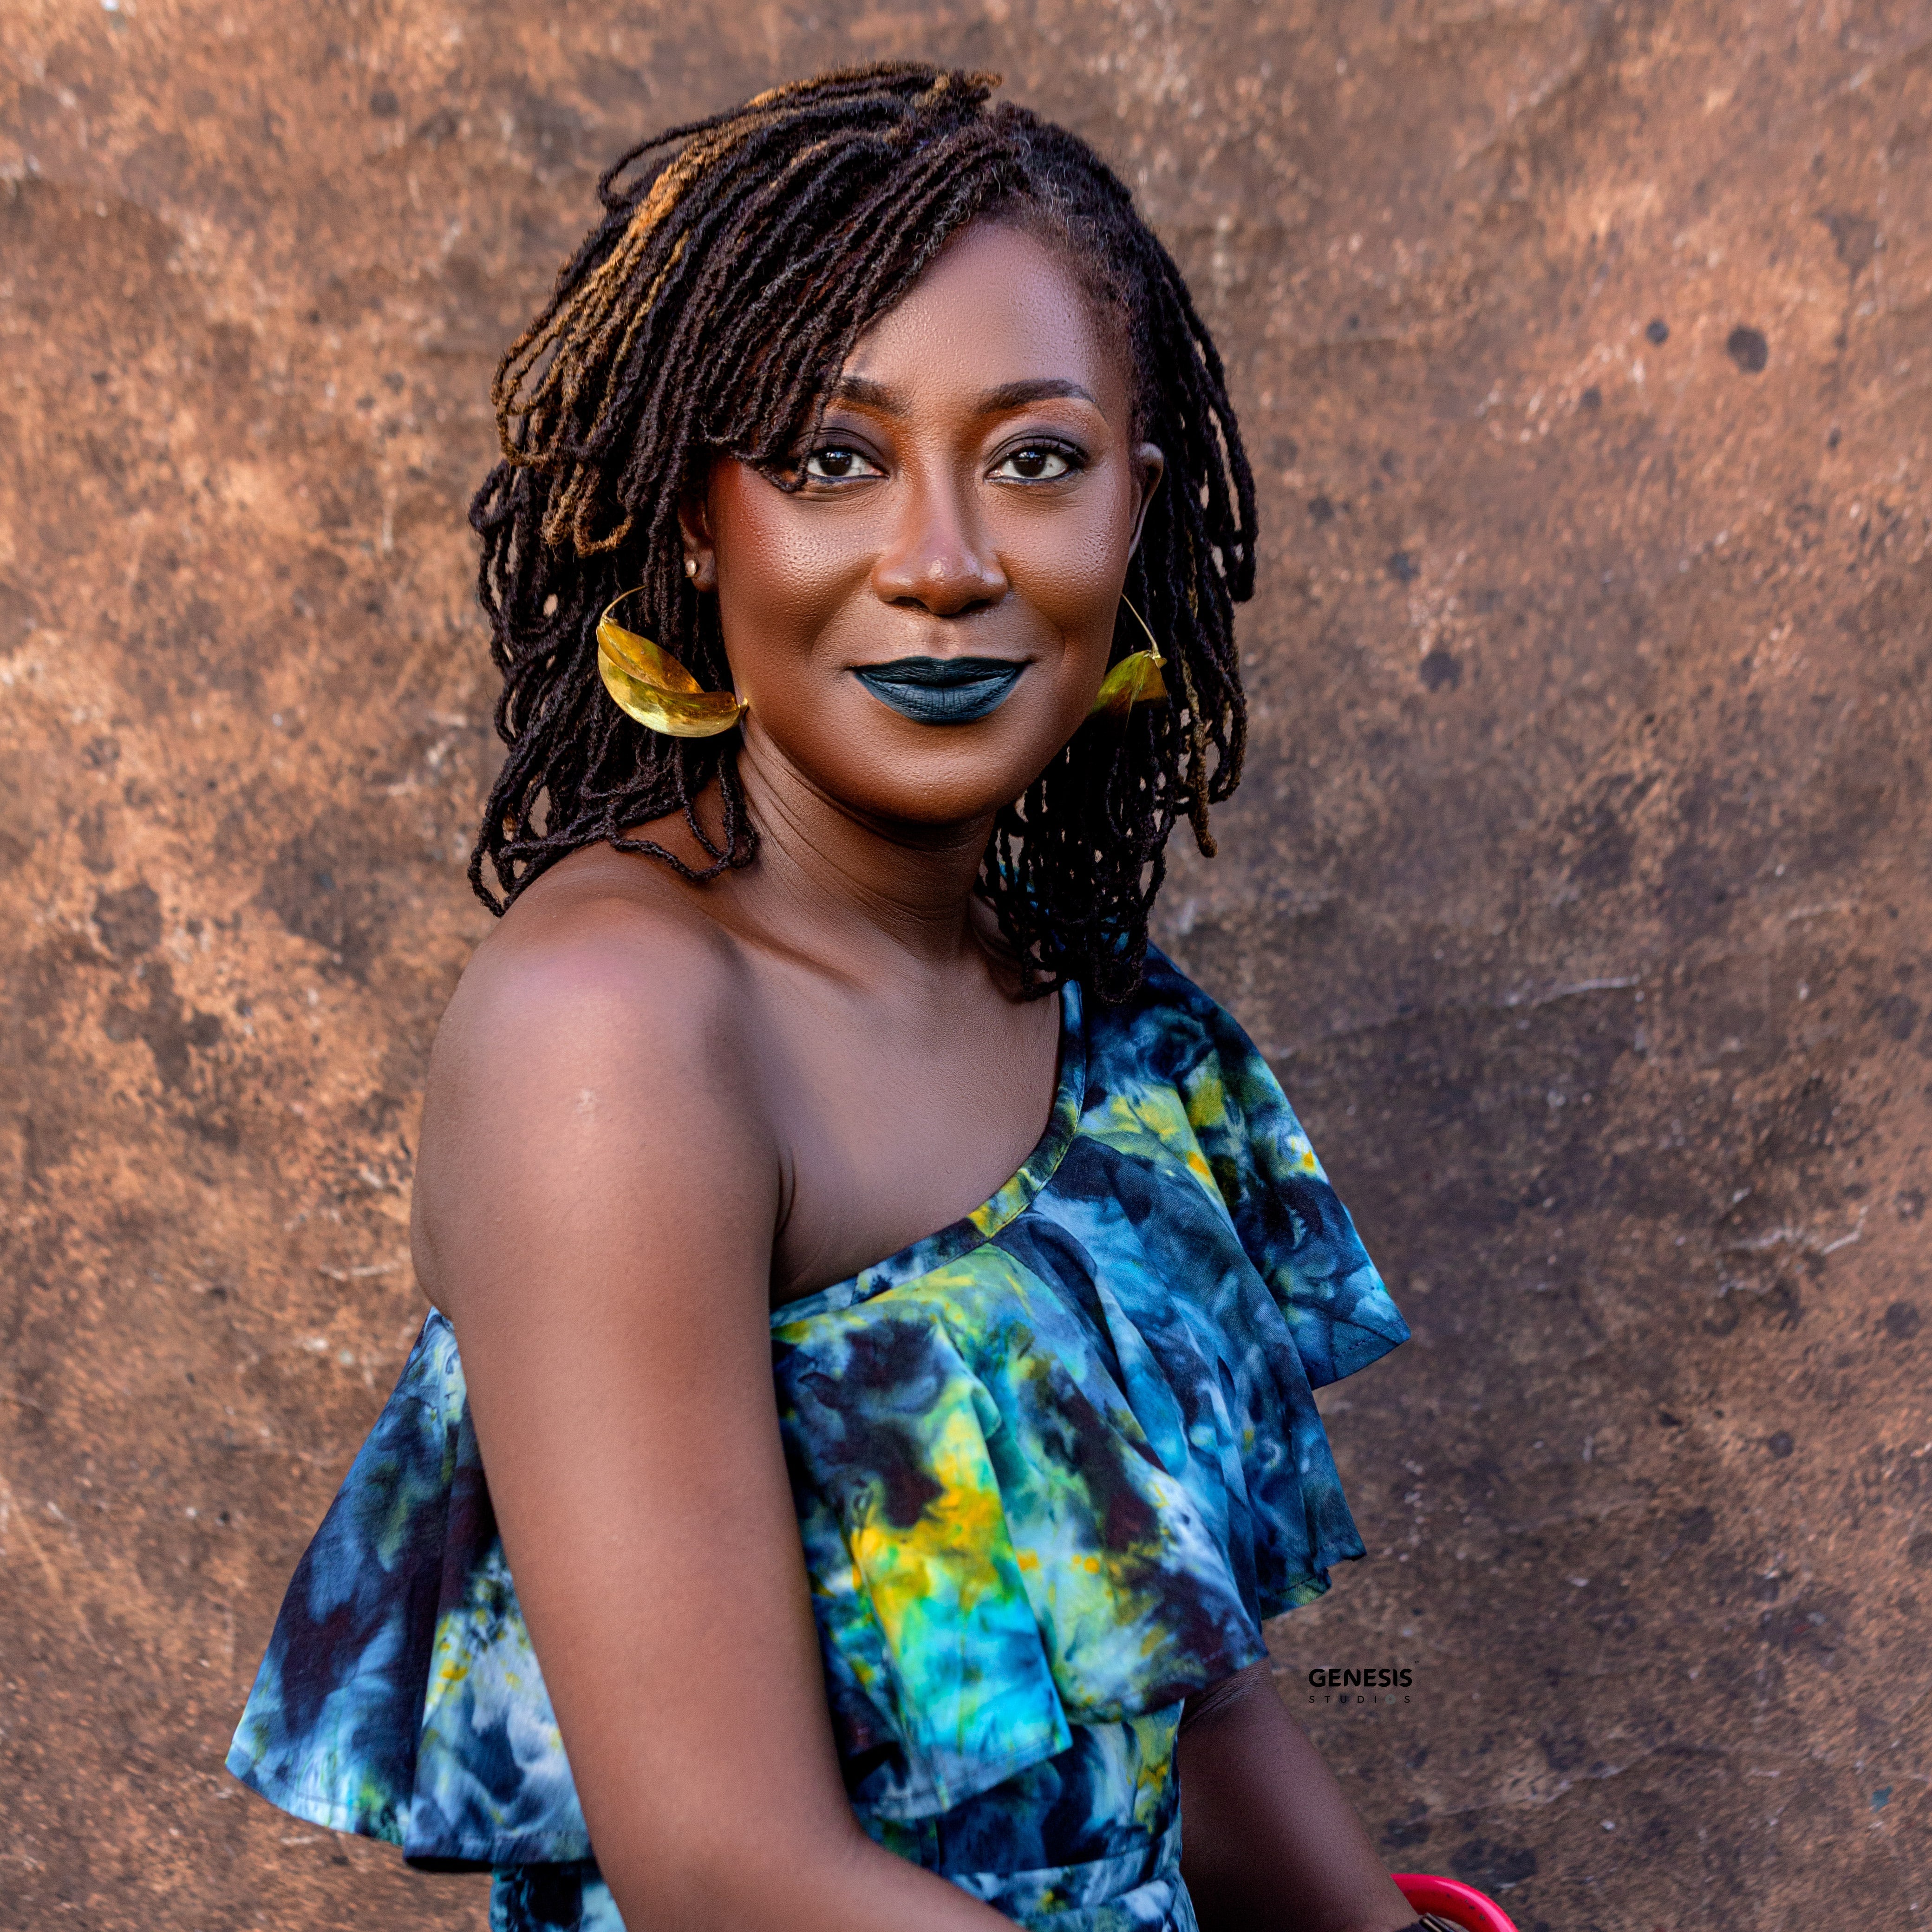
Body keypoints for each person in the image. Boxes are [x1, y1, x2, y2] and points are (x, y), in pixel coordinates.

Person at [229, 65, 1436, 1932]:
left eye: (1032, 457)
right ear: (695, 521)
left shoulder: (1098, 1018)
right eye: (827, 458)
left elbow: (1171, 1694)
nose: (940, 561)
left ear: (1135, 504)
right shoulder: (616, 1030)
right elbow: (727, 1871)